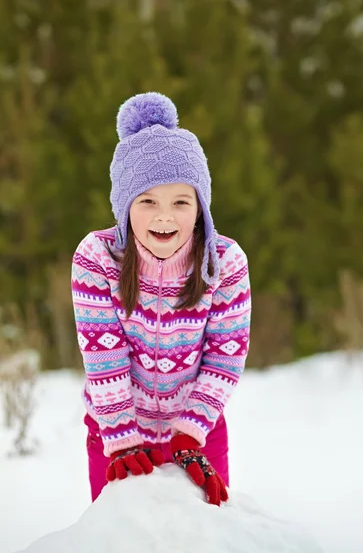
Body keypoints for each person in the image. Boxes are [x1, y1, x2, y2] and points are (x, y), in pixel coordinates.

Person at [71, 92, 251, 506]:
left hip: (196, 433)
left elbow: (225, 354)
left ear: (201, 207)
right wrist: (120, 437)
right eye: (147, 201)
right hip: (115, 433)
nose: (164, 216)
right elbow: (103, 354)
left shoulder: (225, 263)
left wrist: (191, 430)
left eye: (180, 202)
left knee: (208, 536)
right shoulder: (97, 259)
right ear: (124, 207)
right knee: (120, 537)